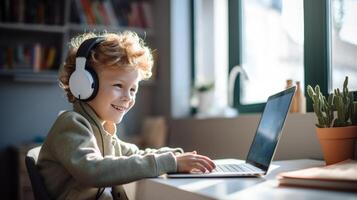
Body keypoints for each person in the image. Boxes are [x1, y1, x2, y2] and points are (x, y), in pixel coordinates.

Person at [37, 31, 216, 200]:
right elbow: (93, 170)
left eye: (133, 89)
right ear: (83, 84)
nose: (128, 97)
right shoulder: (71, 124)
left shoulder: (102, 129)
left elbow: (134, 153)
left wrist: (175, 156)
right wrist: (169, 162)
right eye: (118, 86)